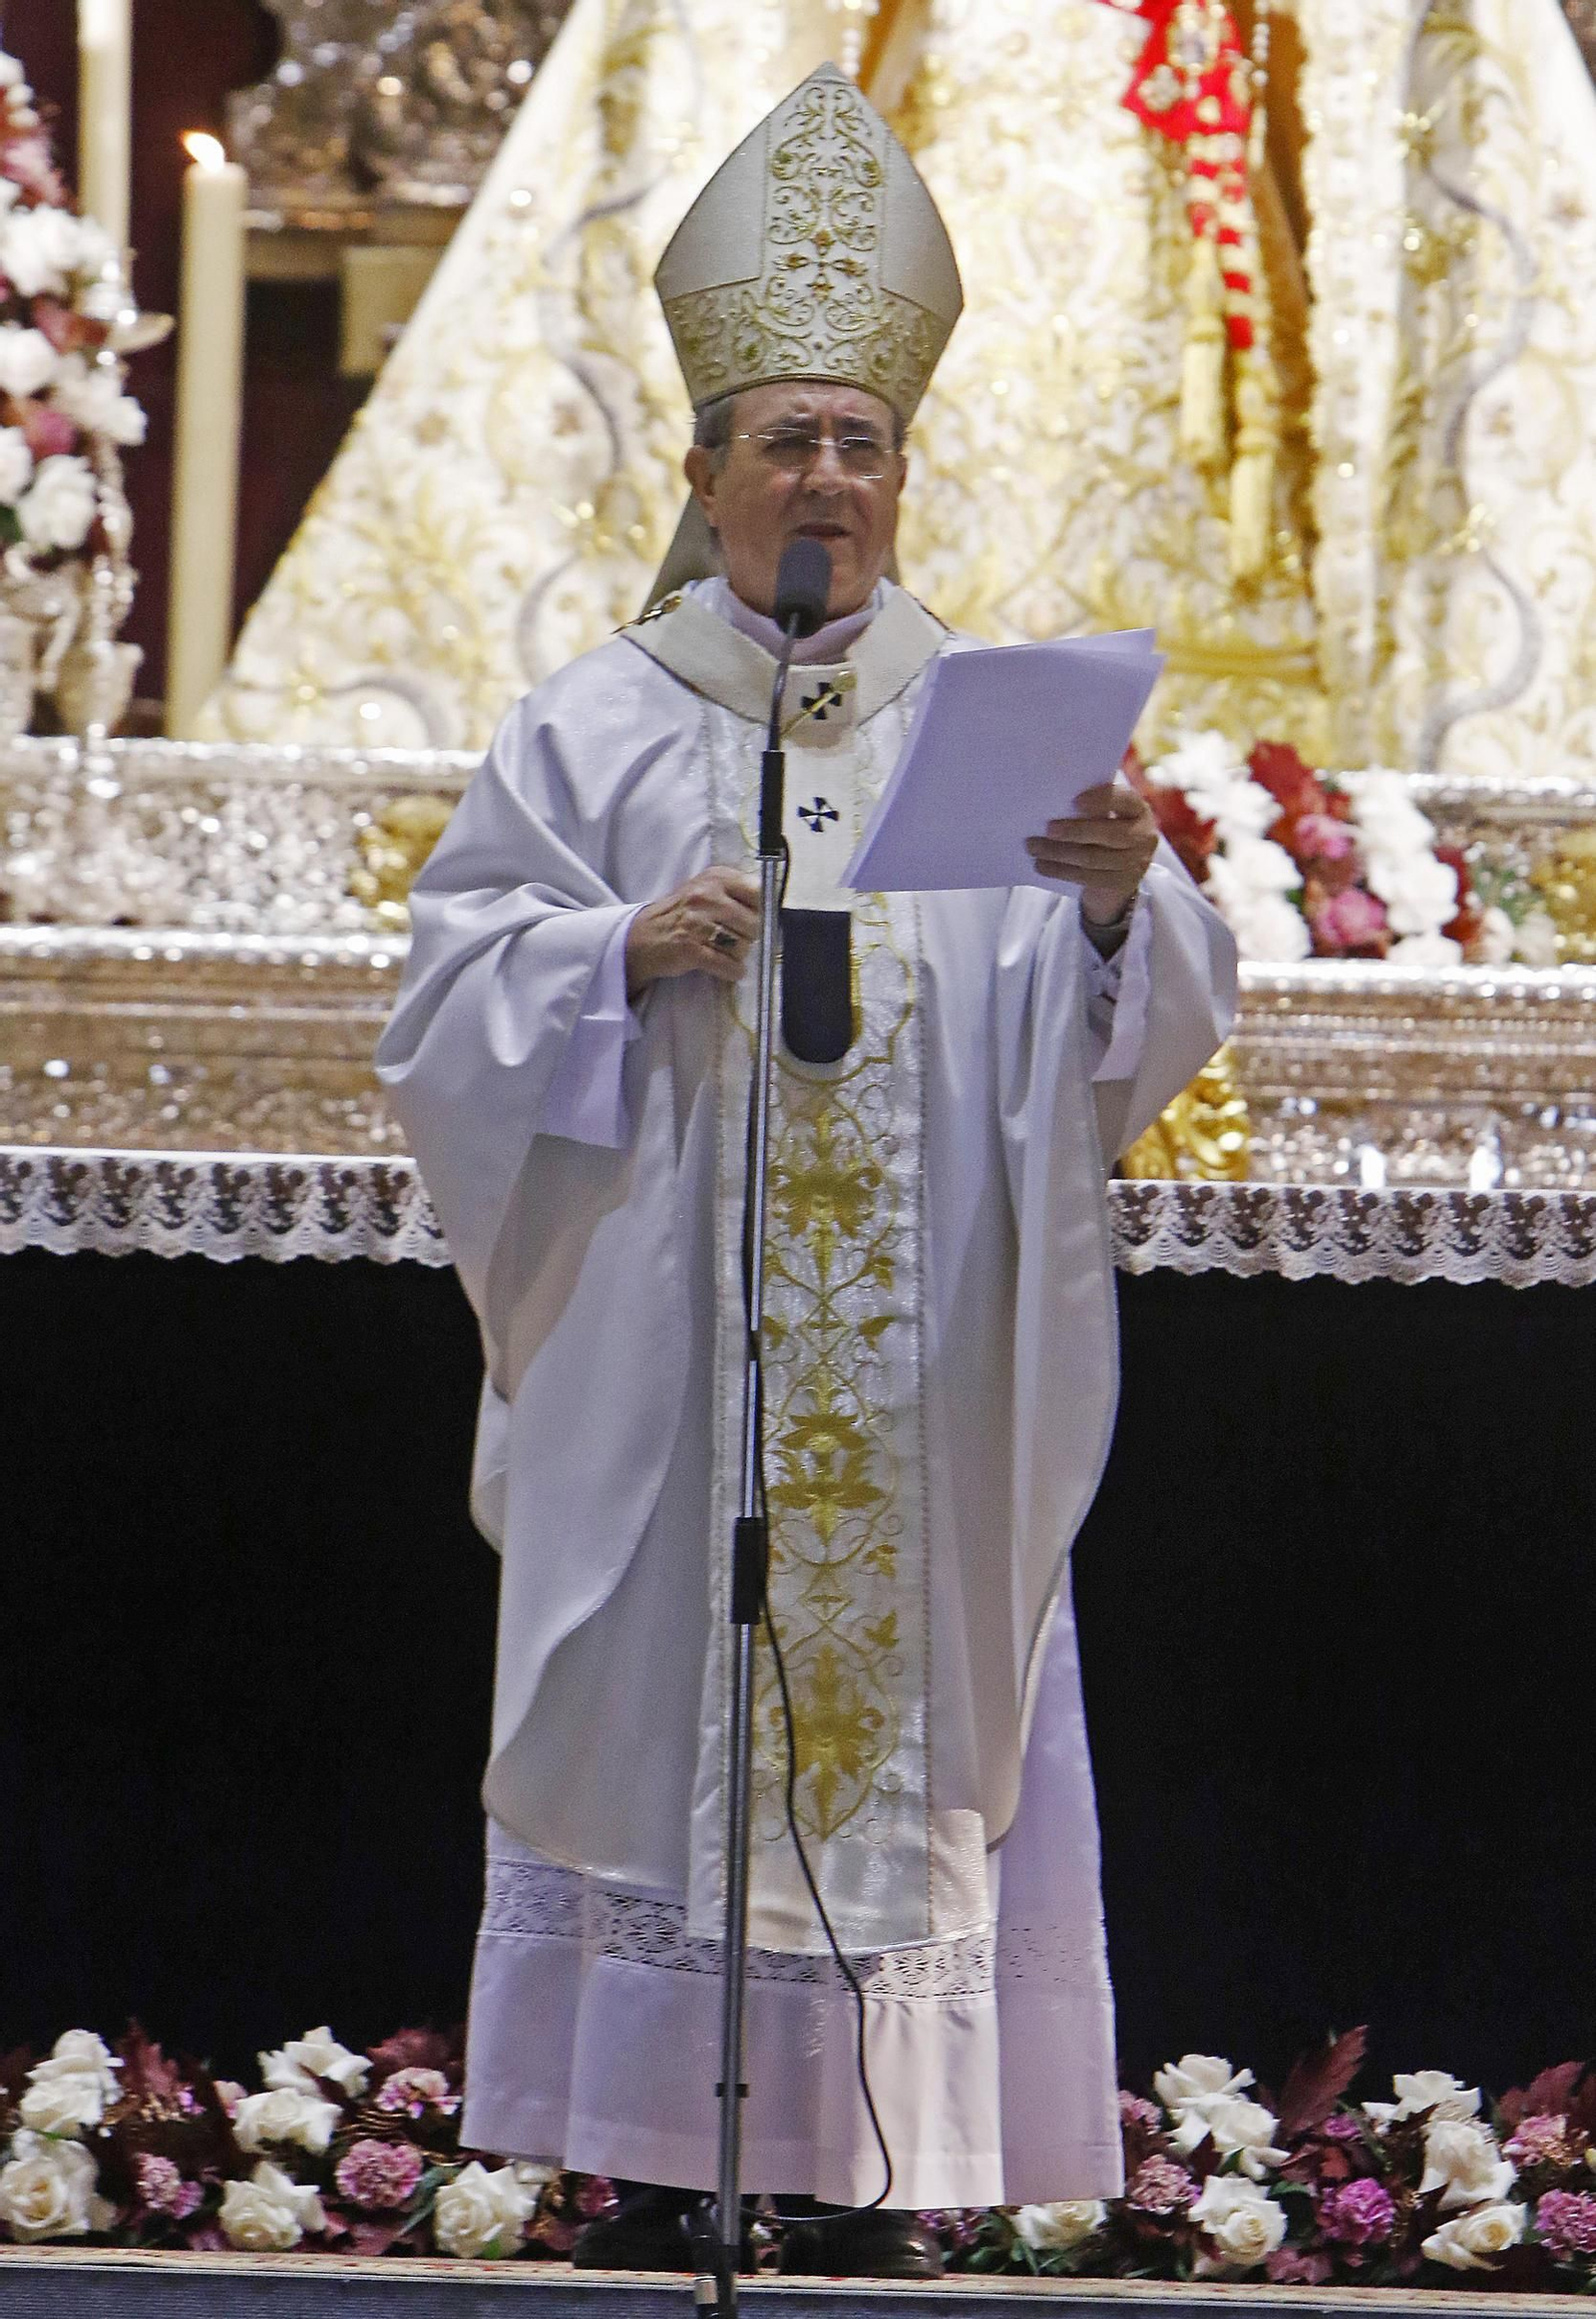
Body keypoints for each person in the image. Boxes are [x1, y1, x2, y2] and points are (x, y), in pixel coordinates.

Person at [377, 63, 1236, 2281]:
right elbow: (444, 992)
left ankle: (897, 2151)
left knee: (911, 1723)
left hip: (922, 1376)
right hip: (685, 1366)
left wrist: (1127, 900)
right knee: (677, 1697)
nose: (827, 477)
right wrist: (606, 953)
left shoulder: (1003, 724)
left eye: (862, 441)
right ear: (705, 471)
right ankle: (666, 2141)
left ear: (901, 471)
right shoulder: (596, 721)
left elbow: (1112, 1039)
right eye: (788, 440)